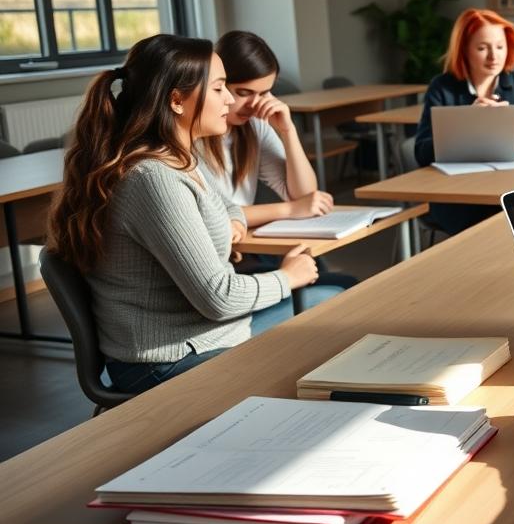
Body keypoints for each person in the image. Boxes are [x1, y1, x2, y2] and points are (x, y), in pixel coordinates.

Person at [47, 35, 334, 395]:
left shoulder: (179, 160)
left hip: (206, 340)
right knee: (332, 322)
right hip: (168, 363)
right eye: (218, 89)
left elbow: (227, 207)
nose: (229, 99)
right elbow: (219, 297)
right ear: (177, 100)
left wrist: (230, 222)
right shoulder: (153, 179)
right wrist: (286, 277)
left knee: (336, 306)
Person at [200, 30, 357, 289]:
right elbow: (216, 217)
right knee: (340, 284)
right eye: (244, 92)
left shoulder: (255, 127)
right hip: (223, 261)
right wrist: (291, 210)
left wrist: (287, 131)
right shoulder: (193, 137)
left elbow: (305, 195)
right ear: (218, 85)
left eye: (264, 93)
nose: (254, 104)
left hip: (244, 247)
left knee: (328, 275)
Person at [413, 8, 514, 235]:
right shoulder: (442, 87)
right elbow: (422, 152)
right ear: (464, 50)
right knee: (499, 225)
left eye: (500, 47)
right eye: (482, 48)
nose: (494, 56)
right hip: (458, 197)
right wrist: (467, 123)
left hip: (511, 187)